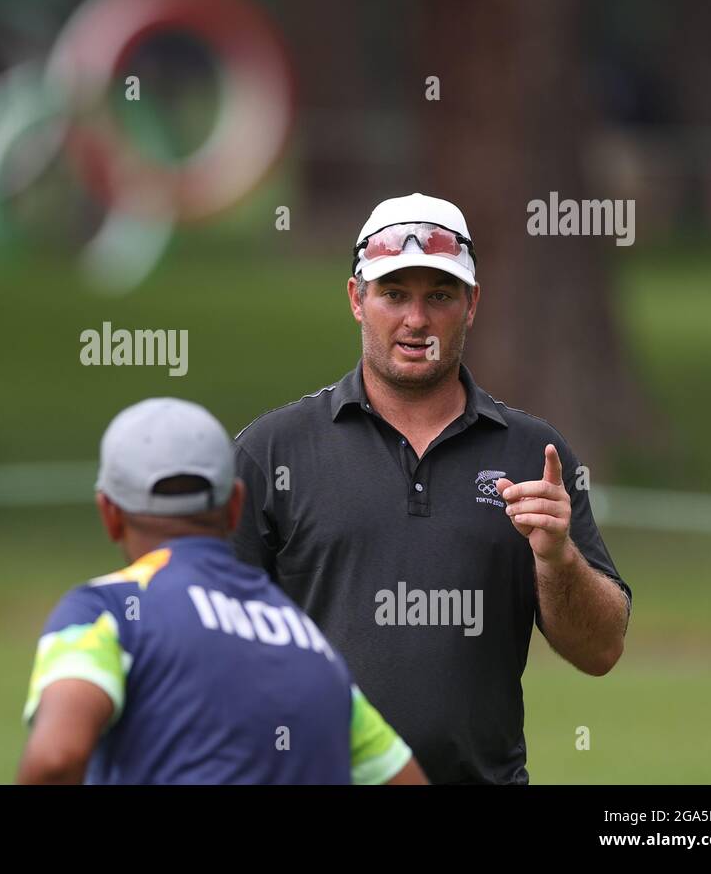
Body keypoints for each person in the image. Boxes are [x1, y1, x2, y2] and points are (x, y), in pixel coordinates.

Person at [232, 192, 632, 784]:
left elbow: (600, 650)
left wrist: (558, 557)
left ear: (471, 305)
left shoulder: (532, 454)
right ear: (356, 299)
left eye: (439, 296)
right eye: (394, 294)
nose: (416, 320)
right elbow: (210, 634)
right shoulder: (273, 451)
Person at [17, 397, 425, 784]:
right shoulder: (315, 648)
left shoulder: (108, 610)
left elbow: (57, 759)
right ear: (235, 507)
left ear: (109, 513)